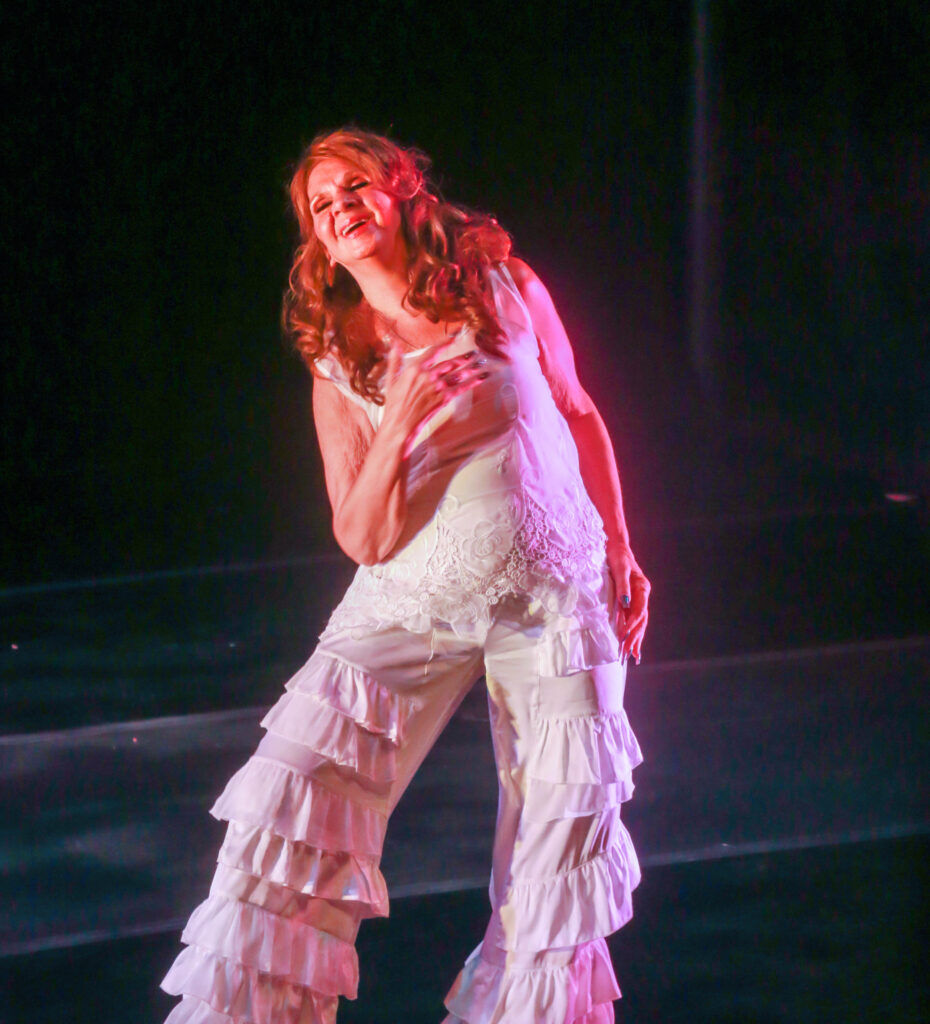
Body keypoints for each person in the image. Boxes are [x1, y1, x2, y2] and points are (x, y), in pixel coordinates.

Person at [161, 127, 651, 1024]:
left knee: (557, 854)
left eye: (353, 185)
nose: (340, 206)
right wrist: (403, 415)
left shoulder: (505, 286)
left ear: (400, 187)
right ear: (316, 238)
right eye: (321, 203)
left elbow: (577, 411)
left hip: (557, 595)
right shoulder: (338, 353)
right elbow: (363, 533)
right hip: (415, 598)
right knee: (292, 807)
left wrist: (619, 546)